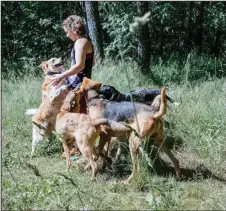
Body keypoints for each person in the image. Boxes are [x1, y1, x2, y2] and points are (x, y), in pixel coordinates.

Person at [51, 15, 94, 114]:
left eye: (67, 32)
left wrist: (61, 76)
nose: (67, 35)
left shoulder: (80, 43)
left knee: (78, 115)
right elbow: (92, 62)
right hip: (83, 83)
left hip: (78, 85)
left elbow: (79, 66)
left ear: (74, 29)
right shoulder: (87, 40)